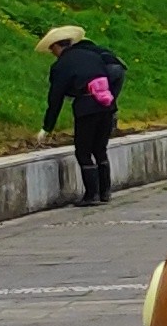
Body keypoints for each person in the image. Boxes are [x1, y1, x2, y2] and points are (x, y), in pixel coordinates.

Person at [41, 25, 130, 206]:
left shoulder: (61, 65)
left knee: (83, 151)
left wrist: (47, 127)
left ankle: (91, 195)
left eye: (52, 49)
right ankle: (105, 192)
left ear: (57, 46)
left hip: (86, 108)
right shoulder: (92, 55)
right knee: (100, 149)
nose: (52, 53)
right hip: (106, 105)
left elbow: (55, 98)